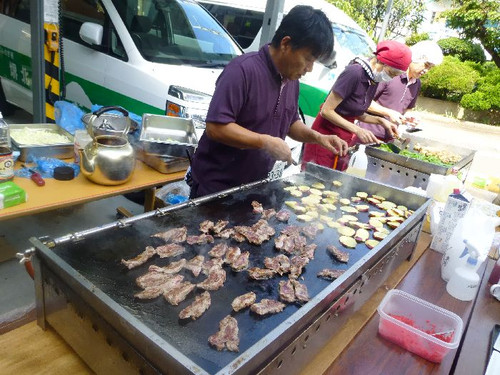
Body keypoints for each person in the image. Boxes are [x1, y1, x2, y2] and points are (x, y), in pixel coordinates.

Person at [187, 5, 348, 198]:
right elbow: (216, 127)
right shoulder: (242, 71)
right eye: (308, 59)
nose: (310, 69)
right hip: (216, 189)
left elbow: (291, 123)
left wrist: (318, 138)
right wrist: (265, 142)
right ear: (286, 44)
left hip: (254, 188)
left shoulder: (291, 80)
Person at [301, 40, 412, 171]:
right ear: (381, 62)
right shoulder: (354, 73)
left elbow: (356, 112)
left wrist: (381, 121)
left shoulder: (372, 79)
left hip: (343, 137)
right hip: (326, 134)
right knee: (315, 177)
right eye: (391, 73)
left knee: (332, 179)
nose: (391, 78)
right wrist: (357, 130)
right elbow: (326, 111)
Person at [356, 40, 444, 142]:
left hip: (390, 138)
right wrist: (389, 113)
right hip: (365, 133)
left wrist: (408, 117)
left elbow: (407, 109)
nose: (426, 70)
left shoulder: (417, 83)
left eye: (430, 68)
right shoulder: (389, 74)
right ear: (416, 57)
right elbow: (363, 101)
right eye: (426, 65)